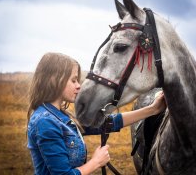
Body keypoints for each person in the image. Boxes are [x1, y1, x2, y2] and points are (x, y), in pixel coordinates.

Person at [27, 52, 166, 175]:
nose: (78, 85)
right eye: (73, 80)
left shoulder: (61, 116)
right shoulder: (46, 122)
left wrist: (152, 109)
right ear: (53, 80)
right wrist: (96, 162)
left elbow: (108, 123)